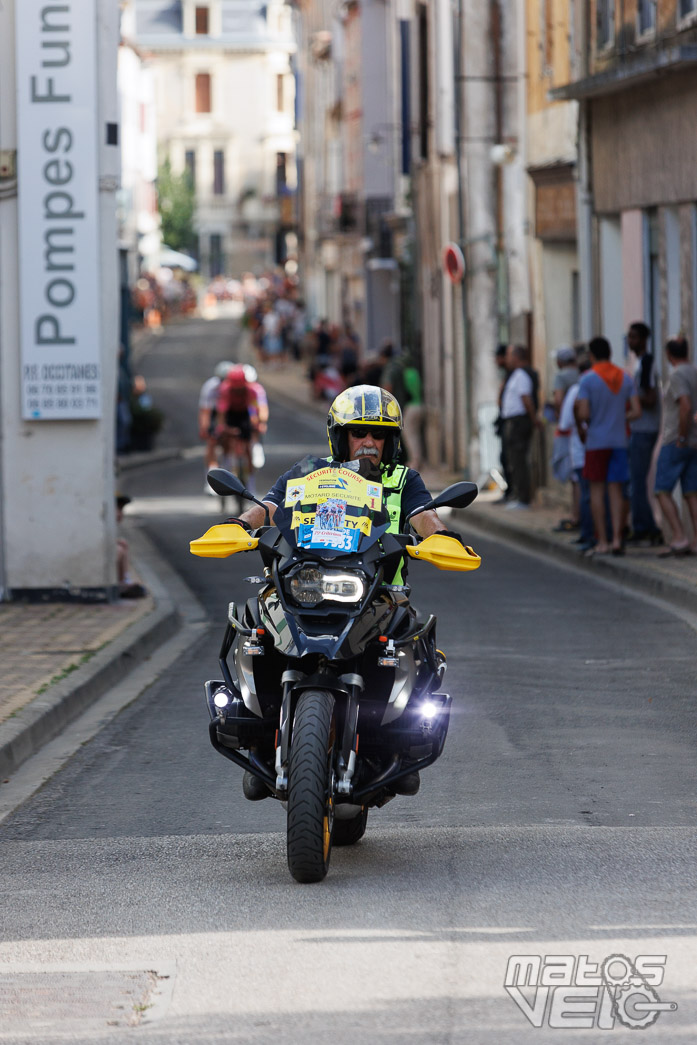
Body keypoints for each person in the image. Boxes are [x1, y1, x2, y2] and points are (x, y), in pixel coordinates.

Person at [231, 384, 466, 799]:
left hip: (379, 593)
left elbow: (425, 517)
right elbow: (268, 506)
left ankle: (403, 733)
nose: (369, 443)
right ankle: (256, 729)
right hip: (305, 583)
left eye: (378, 435)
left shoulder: (403, 480)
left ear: (391, 441)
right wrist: (237, 525)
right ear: (340, 437)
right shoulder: (308, 472)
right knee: (255, 624)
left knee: (414, 639)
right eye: (359, 433)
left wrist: (443, 538)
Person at [574, 336, 641, 556]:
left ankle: (602, 540)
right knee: (617, 491)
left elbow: (583, 413)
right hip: (619, 441)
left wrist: (591, 422)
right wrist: (620, 418)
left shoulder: (588, 379)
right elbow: (637, 411)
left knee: (596, 490)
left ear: (592, 356)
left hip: (596, 442)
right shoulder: (625, 377)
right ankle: (617, 539)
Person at [653, 337, 697, 556]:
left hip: (676, 440)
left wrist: (680, 436)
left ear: (669, 354)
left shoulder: (677, 374)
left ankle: (679, 537)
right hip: (694, 442)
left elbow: (686, 406)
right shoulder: (695, 371)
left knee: (661, 490)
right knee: (692, 492)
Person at [626, 321, 663, 545]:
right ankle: (645, 525)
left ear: (643, 340)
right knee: (636, 480)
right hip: (640, 428)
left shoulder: (647, 363)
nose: (630, 342)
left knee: (637, 480)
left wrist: (629, 395)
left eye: (634, 337)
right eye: (629, 337)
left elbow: (649, 399)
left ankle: (644, 527)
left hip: (644, 428)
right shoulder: (639, 363)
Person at [500, 345, 539, 508]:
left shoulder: (522, 375)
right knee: (513, 460)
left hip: (519, 421)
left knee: (518, 459)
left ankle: (523, 499)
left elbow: (526, 399)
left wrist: (533, 419)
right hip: (512, 421)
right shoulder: (515, 375)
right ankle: (518, 495)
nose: (507, 359)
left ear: (516, 357)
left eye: (509, 355)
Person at [199, 360, 234, 492]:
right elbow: (205, 410)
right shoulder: (210, 386)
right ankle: (211, 477)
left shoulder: (234, 387)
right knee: (212, 441)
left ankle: (230, 466)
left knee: (230, 439)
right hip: (214, 412)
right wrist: (204, 428)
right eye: (222, 379)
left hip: (230, 412)